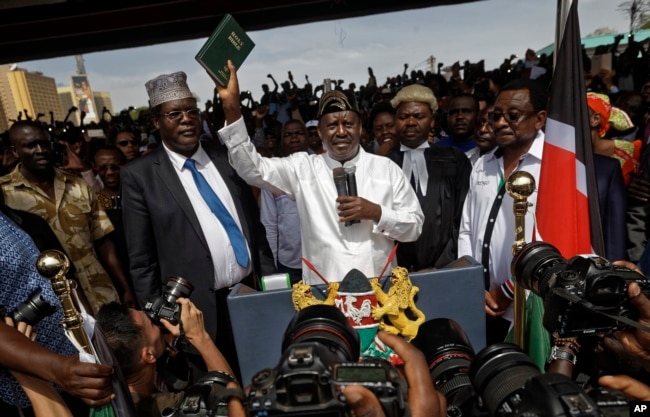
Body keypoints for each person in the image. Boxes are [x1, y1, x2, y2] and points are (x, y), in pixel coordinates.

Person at [120, 71, 275, 380]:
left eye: (192, 111)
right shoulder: (140, 176)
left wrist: (270, 288)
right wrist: (163, 319)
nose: (187, 120)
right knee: (218, 392)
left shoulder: (227, 158)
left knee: (264, 379)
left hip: (249, 296)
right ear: (156, 122)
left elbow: (254, 233)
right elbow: (141, 261)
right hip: (196, 315)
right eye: (174, 114)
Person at [215, 60, 423, 285]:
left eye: (348, 124)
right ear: (321, 132)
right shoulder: (303, 167)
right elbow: (252, 169)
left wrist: (377, 213)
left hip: (379, 290)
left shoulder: (386, 169)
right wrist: (232, 110)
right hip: (323, 293)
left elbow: (414, 227)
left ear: (360, 127)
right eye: (332, 125)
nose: (341, 132)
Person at [0, 120, 133, 314]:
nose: (40, 150)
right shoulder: (5, 194)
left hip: (103, 295)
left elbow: (103, 242)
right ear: (14, 151)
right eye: (30, 145)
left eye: (44, 143)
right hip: (56, 306)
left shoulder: (78, 185)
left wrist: (126, 288)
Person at [0, 198, 114, 416]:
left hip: (76, 374)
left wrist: (91, 343)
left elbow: (67, 283)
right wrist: (59, 370)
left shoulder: (11, 217)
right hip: (26, 394)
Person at [458, 79, 548, 344]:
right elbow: (467, 227)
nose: (499, 123)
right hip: (481, 300)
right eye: (496, 115)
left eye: (513, 116)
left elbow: (549, 236)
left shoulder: (554, 164)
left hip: (528, 302)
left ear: (540, 119)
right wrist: (470, 281)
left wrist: (508, 291)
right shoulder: (483, 163)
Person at [96, 298, 234, 417]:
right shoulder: (162, 406)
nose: (157, 322)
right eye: (152, 323)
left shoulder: (104, 399)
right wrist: (199, 336)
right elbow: (230, 397)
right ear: (149, 356)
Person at [388, 84, 471, 271]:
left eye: (419, 116)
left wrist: (442, 265)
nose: (410, 122)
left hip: (444, 268)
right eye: (403, 117)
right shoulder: (383, 164)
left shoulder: (454, 158)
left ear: (432, 121)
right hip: (396, 272)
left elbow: (462, 217)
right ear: (395, 121)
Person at [260, 120, 309, 284]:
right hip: (288, 264)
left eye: (298, 133)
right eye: (288, 135)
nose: (294, 138)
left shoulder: (323, 169)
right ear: (282, 141)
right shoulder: (272, 175)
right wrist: (273, 264)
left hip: (321, 261)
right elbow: (269, 224)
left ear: (307, 137)